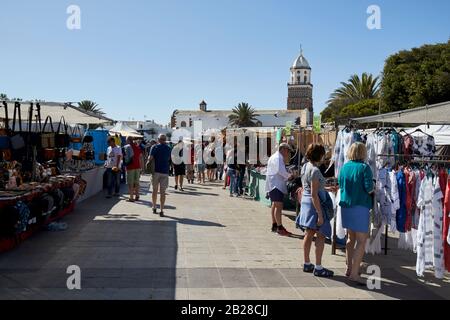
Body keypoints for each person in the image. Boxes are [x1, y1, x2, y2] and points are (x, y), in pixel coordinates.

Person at [338, 142, 374, 285]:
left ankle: (349, 268)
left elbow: (341, 184)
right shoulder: (365, 168)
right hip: (360, 206)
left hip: (346, 206)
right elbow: (369, 188)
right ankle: (354, 273)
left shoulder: (345, 167)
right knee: (361, 241)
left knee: (350, 238)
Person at [297, 144, 334, 278]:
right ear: (319, 155)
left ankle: (307, 263)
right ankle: (318, 267)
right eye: (323, 154)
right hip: (314, 204)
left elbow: (310, 188)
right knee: (321, 234)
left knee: (308, 233)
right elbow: (314, 194)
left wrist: (327, 189)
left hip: (306, 203)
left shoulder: (305, 166)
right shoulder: (315, 171)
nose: (324, 156)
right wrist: (319, 215)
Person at [265, 143, 292, 236]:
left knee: (274, 205)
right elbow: (281, 171)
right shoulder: (278, 158)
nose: (288, 153)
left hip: (273, 184)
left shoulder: (275, 157)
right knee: (278, 206)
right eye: (288, 151)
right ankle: (279, 228)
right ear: (283, 149)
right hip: (276, 185)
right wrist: (290, 176)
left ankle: (274, 225)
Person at [149, 134, 171, 217]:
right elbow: (169, 158)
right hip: (165, 172)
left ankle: (154, 206)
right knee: (163, 192)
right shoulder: (168, 148)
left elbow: (150, 158)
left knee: (155, 190)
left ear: (158, 139)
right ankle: (162, 210)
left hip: (156, 172)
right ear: (165, 140)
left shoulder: (154, 147)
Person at [125, 137, 143, 202]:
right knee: (137, 182)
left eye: (126, 140)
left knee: (130, 183)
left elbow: (125, 157)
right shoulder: (137, 147)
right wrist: (141, 167)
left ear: (129, 140)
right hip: (137, 167)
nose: (125, 141)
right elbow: (141, 157)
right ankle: (137, 195)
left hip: (130, 167)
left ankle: (131, 197)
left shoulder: (127, 147)